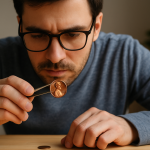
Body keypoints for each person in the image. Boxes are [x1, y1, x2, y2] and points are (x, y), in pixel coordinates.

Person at [0, 0, 150, 149]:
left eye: (72, 34)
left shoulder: (126, 55)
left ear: (96, 27)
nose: (55, 56)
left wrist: (128, 126)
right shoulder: (3, 56)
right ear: (21, 26)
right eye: (38, 35)